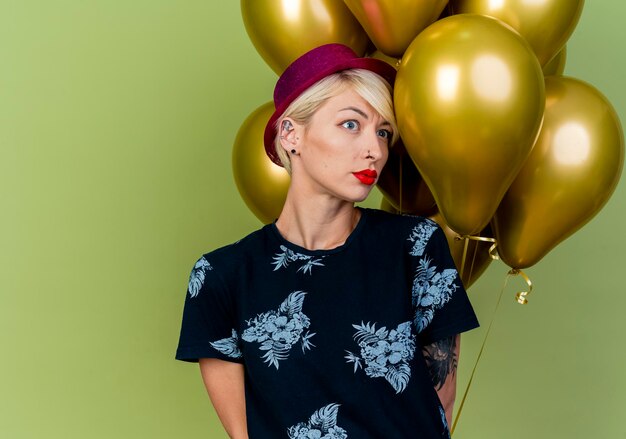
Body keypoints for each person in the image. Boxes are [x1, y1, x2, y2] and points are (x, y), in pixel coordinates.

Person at [176, 43, 479, 438]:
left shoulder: (416, 246)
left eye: (384, 132)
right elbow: (242, 434)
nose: (374, 150)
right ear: (291, 134)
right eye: (351, 124)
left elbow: (442, 400)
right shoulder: (221, 277)